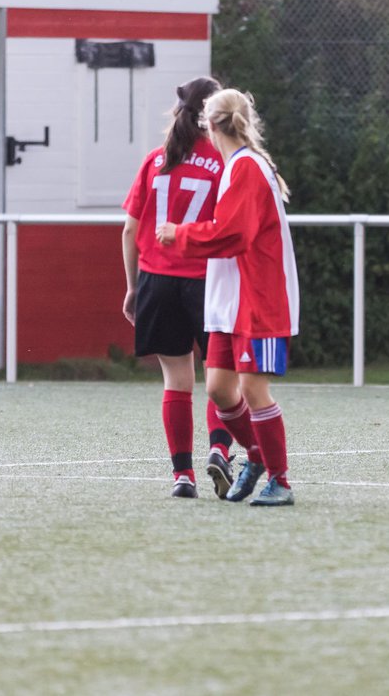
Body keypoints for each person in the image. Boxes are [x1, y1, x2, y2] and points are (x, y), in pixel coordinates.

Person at [157, 88, 299, 507]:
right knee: (220, 389)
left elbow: (234, 233)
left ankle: (280, 479)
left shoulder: (248, 168)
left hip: (259, 300)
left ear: (210, 125)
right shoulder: (237, 166)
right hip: (229, 301)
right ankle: (256, 456)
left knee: (254, 391)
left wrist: (179, 234)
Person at [121, 77, 236, 499]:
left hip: (156, 280)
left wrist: (133, 287)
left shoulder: (156, 160)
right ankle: (220, 450)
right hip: (207, 281)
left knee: (176, 382)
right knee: (222, 378)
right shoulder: (224, 162)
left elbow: (130, 230)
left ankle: (182, 476)